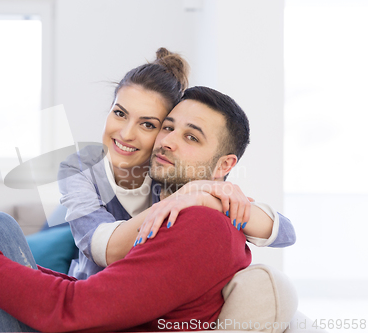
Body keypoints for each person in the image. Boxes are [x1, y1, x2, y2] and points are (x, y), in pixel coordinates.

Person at [0, 86, 282, 332]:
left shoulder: (203, 225)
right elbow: (95, 292)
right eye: (167, 127)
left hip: (76, 322)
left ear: (224, 167)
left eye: (191, 136)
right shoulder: (179, 213)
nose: (166, 142)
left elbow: (74, 309)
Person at [57, 49, 294, 280]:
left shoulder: (171, 169)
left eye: (148, 125)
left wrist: (204, 198)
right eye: (119, 113)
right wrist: (189, 195)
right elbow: (104, 249)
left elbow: (284, 232)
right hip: (86, 288)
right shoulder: (80, 167)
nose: (126, 134)